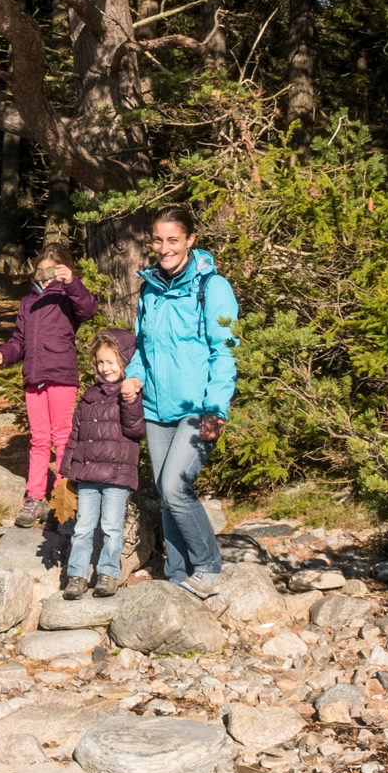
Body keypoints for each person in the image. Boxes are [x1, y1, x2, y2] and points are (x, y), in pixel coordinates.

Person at [122, 207, 239, 598]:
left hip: (196, 407)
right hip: (156, 408)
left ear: (190, 240)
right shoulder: (149, 287)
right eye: (157, 240)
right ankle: (177, 572)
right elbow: (142, 347)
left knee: (175, 487)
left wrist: (216, 409)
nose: (163, 248)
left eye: (173, 240)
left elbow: (224, 353)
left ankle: (207, 566)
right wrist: (135, 374)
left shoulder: (213, 287)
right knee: (165, 491)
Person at [0, 247, 97, 526]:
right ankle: (33, 496)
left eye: (52, 273)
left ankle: (62, 497)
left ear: (63, 271)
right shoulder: (27, 302)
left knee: (62, 438)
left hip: (61, 376)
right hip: (34, 378)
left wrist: (71, 282)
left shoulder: (68, 297)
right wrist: (2, 354)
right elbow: (18, 341)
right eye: (42, 273)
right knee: (38, 440)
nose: (46, 279)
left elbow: (89, 309)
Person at [59, 330, 143, 599]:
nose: (105, 368)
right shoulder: (89, 396)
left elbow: (136, 430)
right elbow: (76, 433)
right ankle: (77, 575)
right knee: (83, 527)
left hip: (117, 475)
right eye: (100, 362)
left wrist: (130, 401)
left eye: (111, 361)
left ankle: (107, 572)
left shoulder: (130, 393)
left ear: (125, 360)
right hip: (87, 475)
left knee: (111, 526)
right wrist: (67, 468)